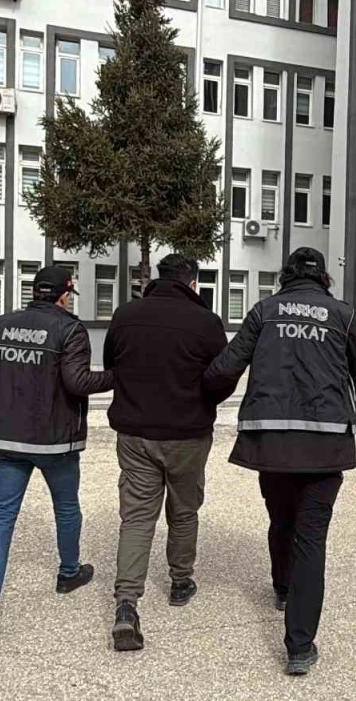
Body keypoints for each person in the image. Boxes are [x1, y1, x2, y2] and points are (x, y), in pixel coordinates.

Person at [204, 247, 356, 676]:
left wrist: (200, 396)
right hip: (325, 446)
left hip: (272, 443)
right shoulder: (342, 315)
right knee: (311, 539)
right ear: (324, 279)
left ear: (286, 276)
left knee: (281, 518)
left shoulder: (264, 311)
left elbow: (225, 368)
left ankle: (283, 588)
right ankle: (300, 647)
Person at [0, 265, 114, 639]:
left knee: (1, 516)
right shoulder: (70, 328)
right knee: (66, 507)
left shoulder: (0, 325)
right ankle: (69, 572)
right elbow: (77, 381)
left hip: (6, 439)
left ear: (34, 291)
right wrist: (118, 376)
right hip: (55, 440)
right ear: (65, 294)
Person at [102, 254, 230, 652]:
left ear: (158, 279)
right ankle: (180, 581)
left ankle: (126, 603)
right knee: (184, 510)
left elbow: (111, 365)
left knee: (137, 517)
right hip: (187, 433)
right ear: (193, 283)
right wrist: (203, 401)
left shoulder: (125, 315)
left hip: (135, 432)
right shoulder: (206, 322)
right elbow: (222, 376)